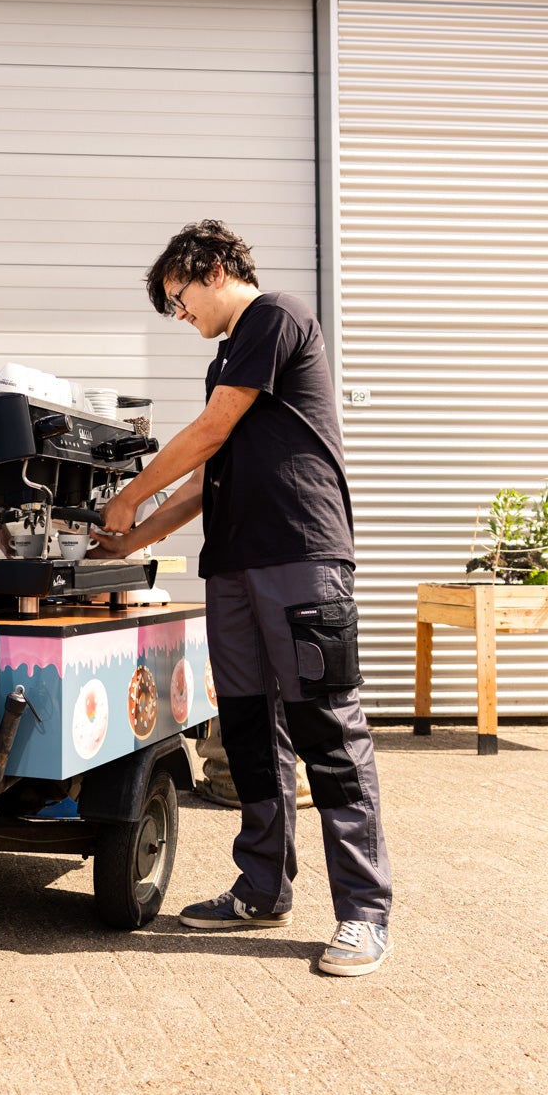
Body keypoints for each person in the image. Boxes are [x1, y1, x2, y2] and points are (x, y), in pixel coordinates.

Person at [92, 220, 393, 977]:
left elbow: (211, 431)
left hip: (301, 554)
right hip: (233, 565)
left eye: (179, 296)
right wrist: (136, 536)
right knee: (252, 736)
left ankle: (363, 911)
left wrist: (130, 494)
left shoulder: (276, 317)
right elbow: (204, 478)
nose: (180, 315)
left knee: (326, 728)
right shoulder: (226, 359)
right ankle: (263, 886)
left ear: (215, 265)